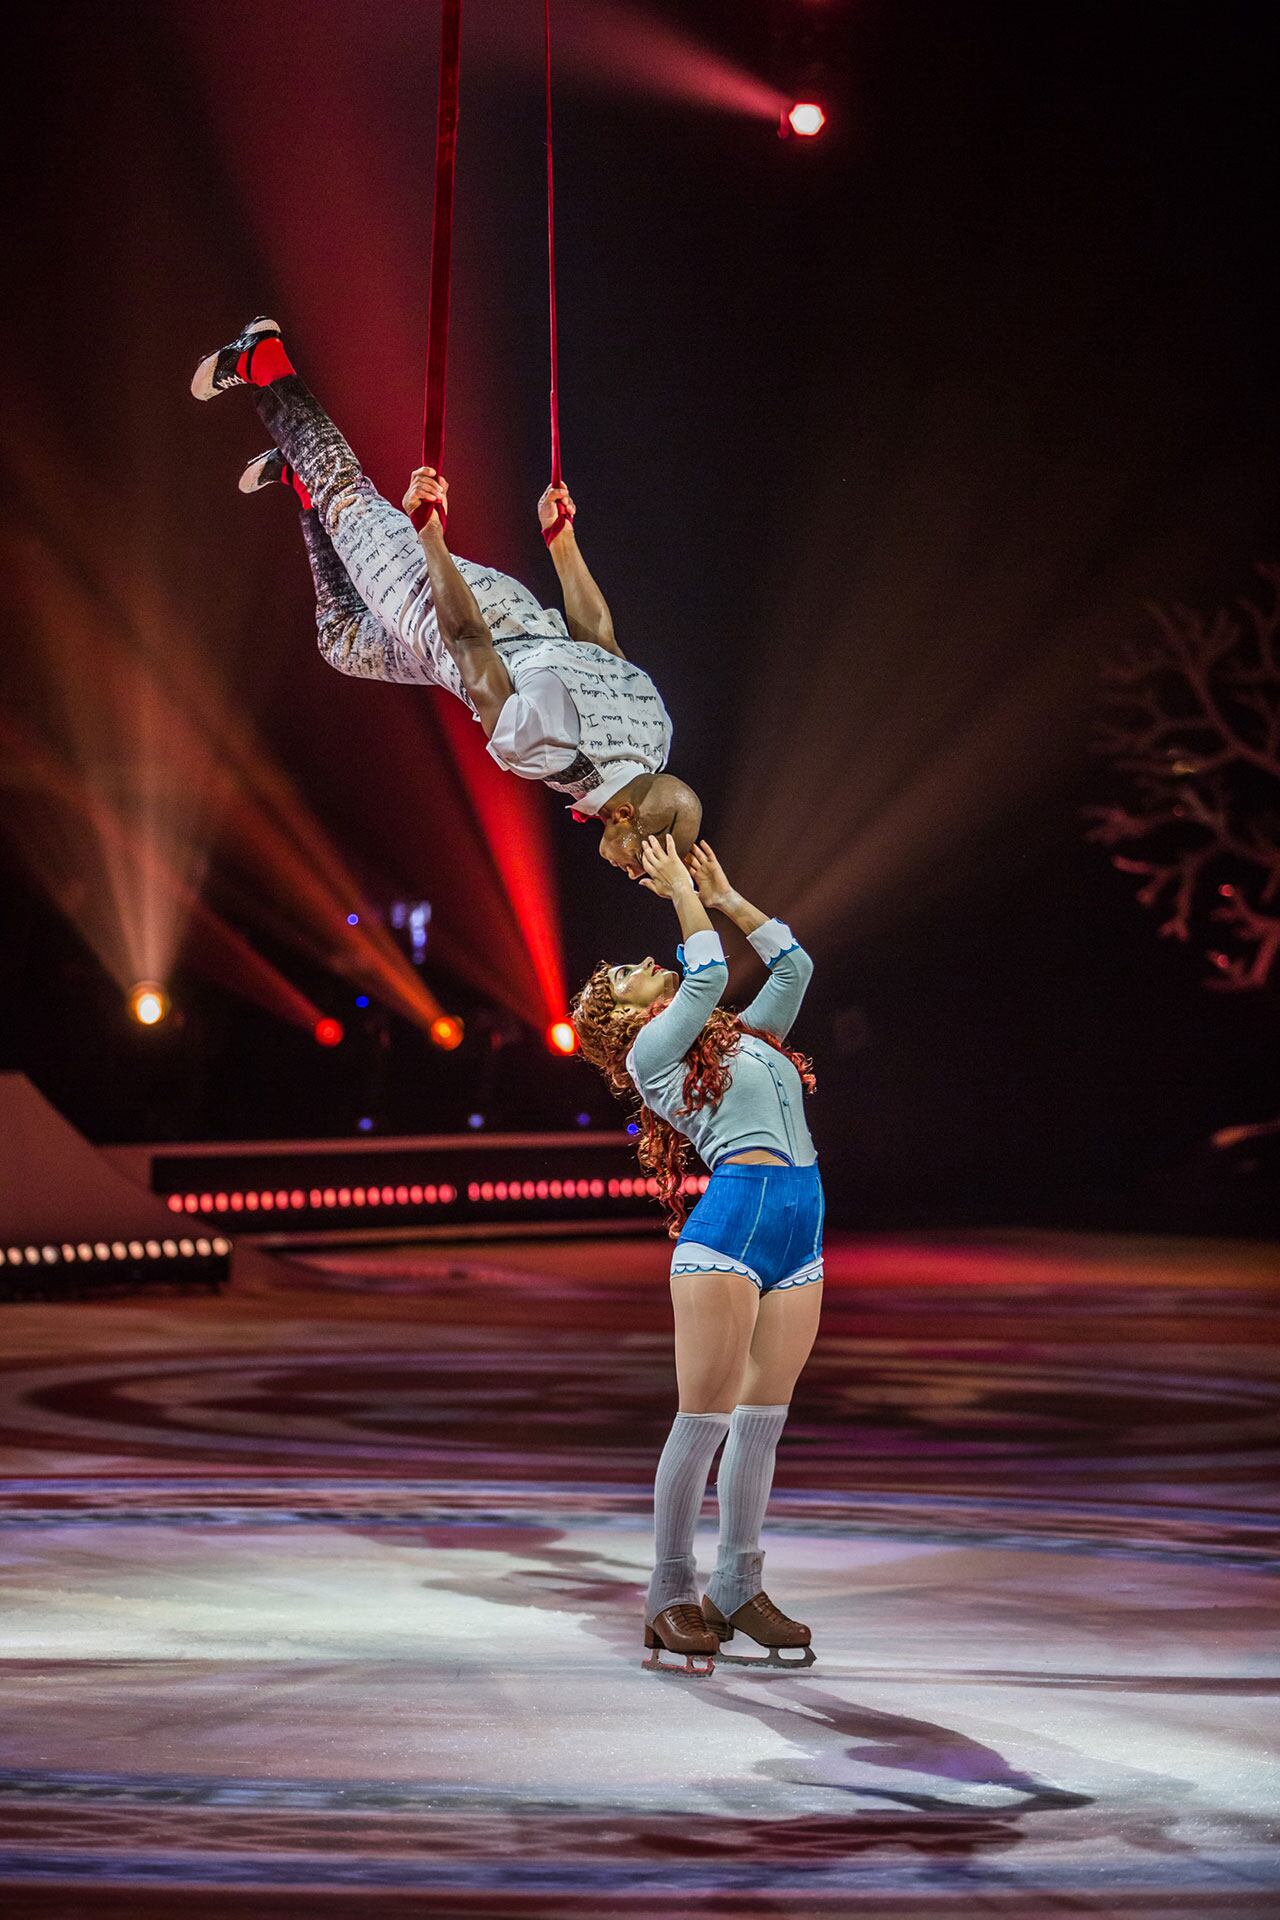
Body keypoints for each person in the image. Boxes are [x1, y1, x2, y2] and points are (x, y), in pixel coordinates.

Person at [190, 317, 702, 875]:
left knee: (342, 642)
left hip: (515, 622)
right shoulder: (548, 748)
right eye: (644, 861)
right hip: (446, 616)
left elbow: (598, 637)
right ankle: (262, 360)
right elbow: (465, 639)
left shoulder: (656, 735)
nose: (637, 872)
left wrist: (561, 543)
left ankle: (300, 476)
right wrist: (429, 534)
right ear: (625, 815)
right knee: (348, 499)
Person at [571, 834, 823, 1676]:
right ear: (616, 1016)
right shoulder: (652, 1056)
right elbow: (707, 974)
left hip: (799, 1233)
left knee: (763, 1420)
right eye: (625, 974)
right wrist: (679, 895)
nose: (645, 963)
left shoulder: (739, 1041)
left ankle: (737, 1588)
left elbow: (794, 971)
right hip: (728, 1236)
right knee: (704, 1419)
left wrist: (723, 895)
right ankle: (670, 1595)